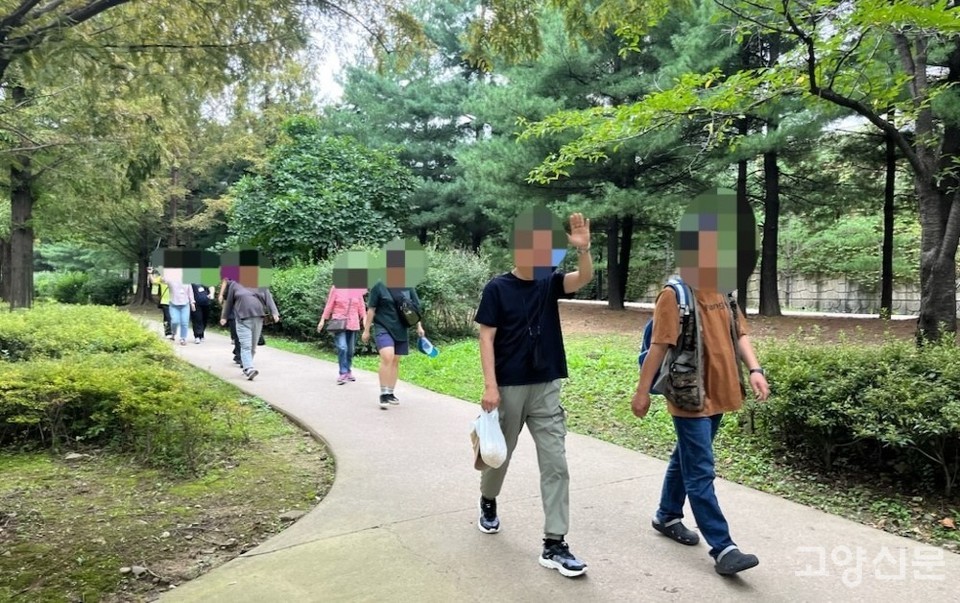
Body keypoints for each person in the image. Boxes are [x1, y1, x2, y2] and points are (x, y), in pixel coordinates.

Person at [631, 199, 770, 577]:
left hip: (722, 391)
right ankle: (724, 547)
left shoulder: (724, 290)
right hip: (689, 395)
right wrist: (641, 392)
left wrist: (755, 369)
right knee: (700, 469)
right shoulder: (673, 295)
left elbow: (739, 333)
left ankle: (666, 516)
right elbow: (658, 347)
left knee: (687, 458)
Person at [473, 209, 593, 578]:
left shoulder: (549, 282)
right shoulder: (497, 288)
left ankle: (554, 543)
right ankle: (488, 501)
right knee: (499, 458)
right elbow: (486, 337)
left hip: (546, 385)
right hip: (508, 386)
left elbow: (582, 279)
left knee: (556, 464)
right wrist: (491, 386)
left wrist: (584, 249)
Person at [361, 279, 424, 409]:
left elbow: (414, 309)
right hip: (382, 326)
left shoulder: (408, 286)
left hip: (401, 328)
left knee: (395, 360)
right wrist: (366, 330)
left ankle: (390, 392)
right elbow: (371, 309)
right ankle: (383, 393)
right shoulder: (379, 286)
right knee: (387, 356)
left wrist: (419, 326)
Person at [220, 283, 279, 380]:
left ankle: (247, 365)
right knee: (245, 345)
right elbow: (229, 302)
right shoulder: (234, 285)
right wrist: (224, 317)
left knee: (253, 346)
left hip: (258, 318)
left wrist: (274, 313)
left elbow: (268, 298)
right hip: (242, 320)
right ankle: (249, 368)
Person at [318, 285, 368, 384]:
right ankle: (343, 373)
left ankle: (348, 371)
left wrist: (365, 322)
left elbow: (361, 307)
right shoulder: (336, 288)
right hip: (339, 322)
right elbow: (329, 304)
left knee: (350, 350)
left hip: (353, 323)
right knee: (342, 347)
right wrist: (322, 320)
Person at [167, 278, 195, 346]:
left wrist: (192, 302)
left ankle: (183, 338)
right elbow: (164, 279)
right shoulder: (171, 280)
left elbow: (190, 292)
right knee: (174, 321)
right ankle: (173, 333)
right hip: (174, 304)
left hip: (185, 304)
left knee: (184, 322)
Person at [219, 278, 241, 364]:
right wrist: (224, 316)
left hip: (245, 311)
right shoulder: (232, 283)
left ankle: (238, 352)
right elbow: (227, 301)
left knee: (242, 335)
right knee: (236, 333)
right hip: (233, 311)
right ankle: (239, 356)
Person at [149, 269, 172, 339]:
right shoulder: (161, 278)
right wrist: (150, 274)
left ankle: (172, 331)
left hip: (175, 301)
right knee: (167, 317)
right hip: (165, 301)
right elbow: (153, 281)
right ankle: (168, 332)